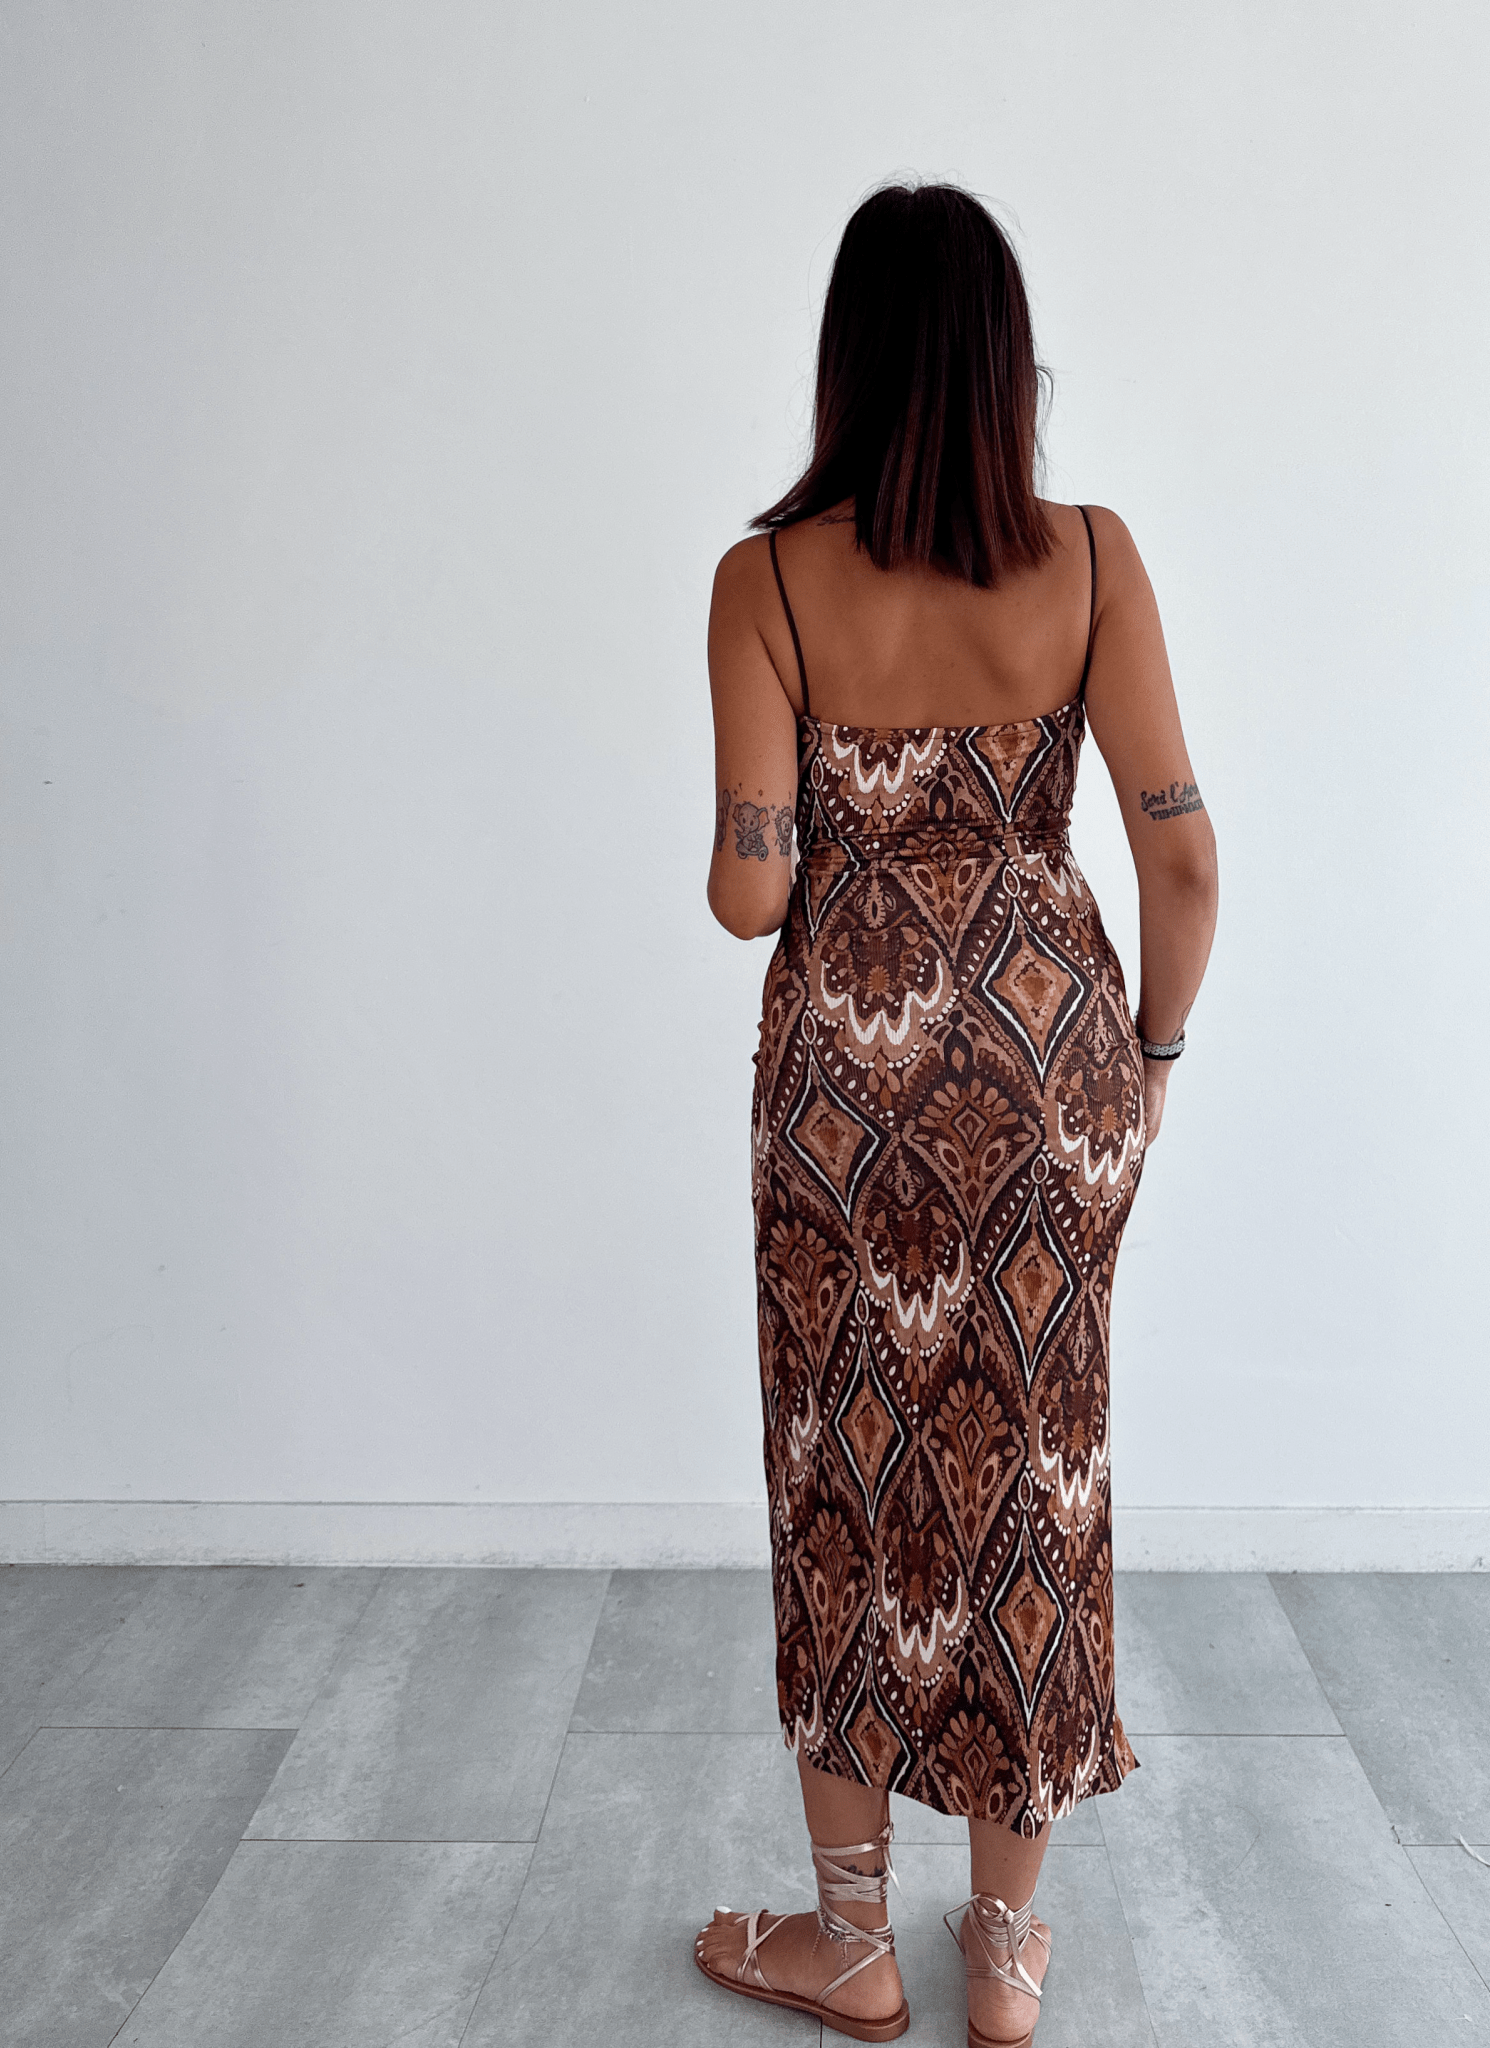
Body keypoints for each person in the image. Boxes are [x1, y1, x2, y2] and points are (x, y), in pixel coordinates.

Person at [695, 181, 1218, 2047]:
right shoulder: (1093, 560)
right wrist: (1148, 1068)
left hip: (845, 1107)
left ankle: (851, 1942)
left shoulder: (766, 583)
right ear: (1009, 365)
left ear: (845, 361)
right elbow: (1184, 862)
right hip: (1055, 1079)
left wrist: (775, 816)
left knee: (841, 1474)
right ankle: (1003, 1954)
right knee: (1031, 1480)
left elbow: (751, 895)